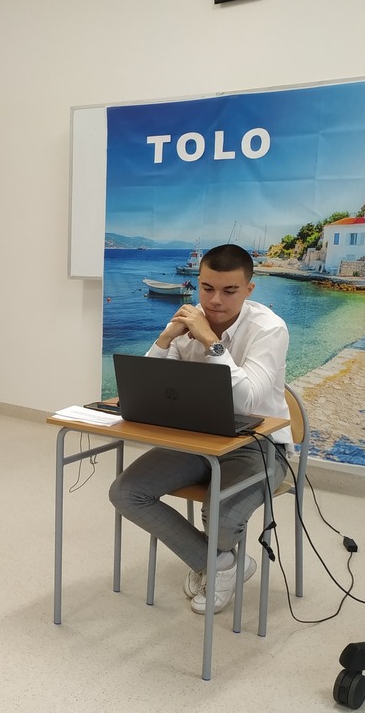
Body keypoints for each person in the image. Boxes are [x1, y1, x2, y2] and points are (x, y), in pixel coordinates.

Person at [109, 244, 291, 614]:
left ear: (249, 289)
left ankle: (210, 563)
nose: (215, 300)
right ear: (198, 282)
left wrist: (211, 341)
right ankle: (221, 565)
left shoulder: (269, 329)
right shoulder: (186, 321)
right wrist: (165, 339)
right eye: (207, 288)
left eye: (229, 291)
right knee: (126, 492)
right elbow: (148, 386)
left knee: (220, 519)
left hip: (259, 445)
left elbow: (246, 401)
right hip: (197, 440)